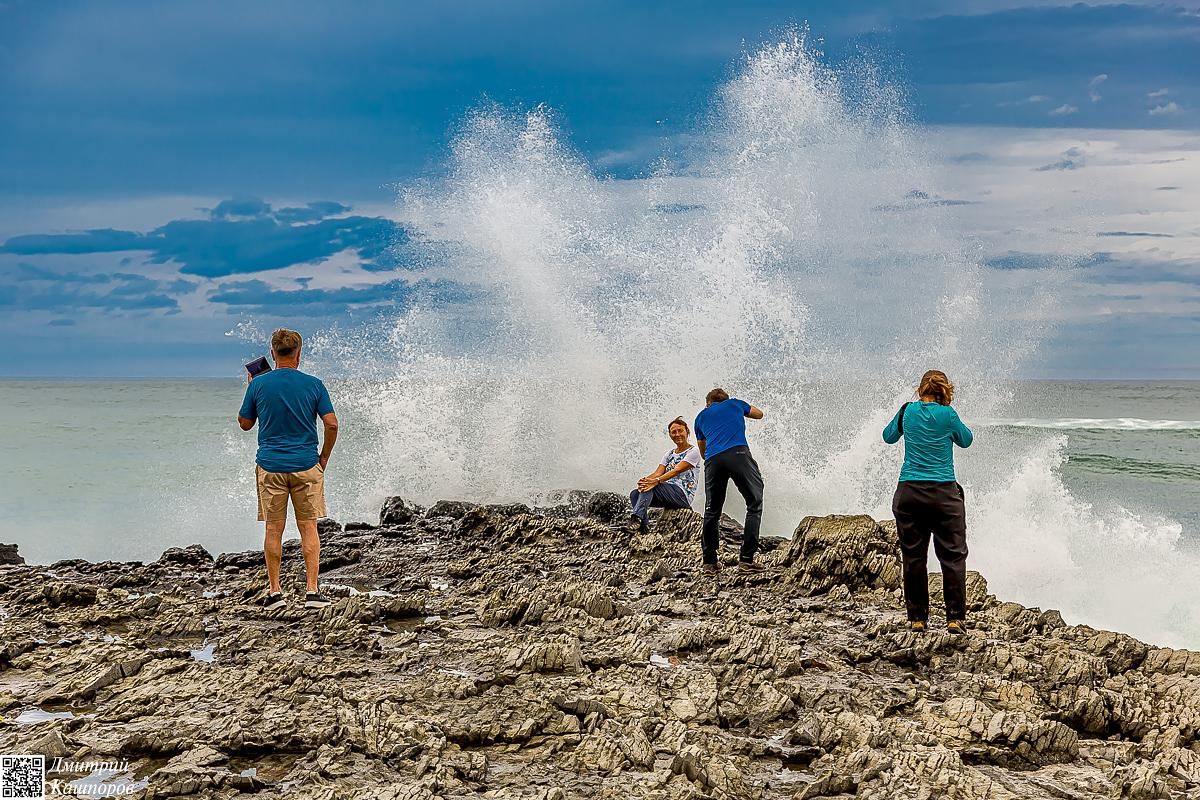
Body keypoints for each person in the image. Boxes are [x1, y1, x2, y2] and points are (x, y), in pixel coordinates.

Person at [237, 328, 339, 610]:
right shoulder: (314, 385)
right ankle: (312, 592)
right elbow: (331, 424)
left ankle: (274, 593)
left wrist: (251, 386)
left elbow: (245, 424)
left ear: (273, 353)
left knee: (273, 529)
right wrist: (324, 457)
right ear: (299, 354)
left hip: (270, 466)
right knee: (308, 528)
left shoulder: (258, 384)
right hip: (306, 465)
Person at [882, 369, 974, 635]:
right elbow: (966, 440)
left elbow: (888, 436)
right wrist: (946, 416)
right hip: (944, 495)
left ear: (920, 389)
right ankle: (955, 619)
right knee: (953, 557)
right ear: (944, 391)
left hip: (909, 493)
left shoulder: (906, 411)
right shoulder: (948, 414)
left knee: (914, 558)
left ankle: (918, 619)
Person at [694, 388, 765, 575]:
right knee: (754, 502)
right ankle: (746, 560)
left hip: (713, 461)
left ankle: (709, 563)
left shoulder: (701, 416)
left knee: (712, 510)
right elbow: (759, 414)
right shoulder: (734, 403)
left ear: (708, 403)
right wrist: (740, 411)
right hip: (738, 454)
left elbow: (702, 451)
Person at [629, 417, 702, 533]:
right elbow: (658, 472)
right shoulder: (669, 454)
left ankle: (636, 518)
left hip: (682, 495)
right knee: (635, 494)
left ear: (687, 431)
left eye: (680, 431)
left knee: (652, 486)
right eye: (673, 432)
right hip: (667, 493)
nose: (677, 434)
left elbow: (676, 470)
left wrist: (655, 481)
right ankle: (643, 527)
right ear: (670, 435)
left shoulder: (694, 452)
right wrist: (645, 481)